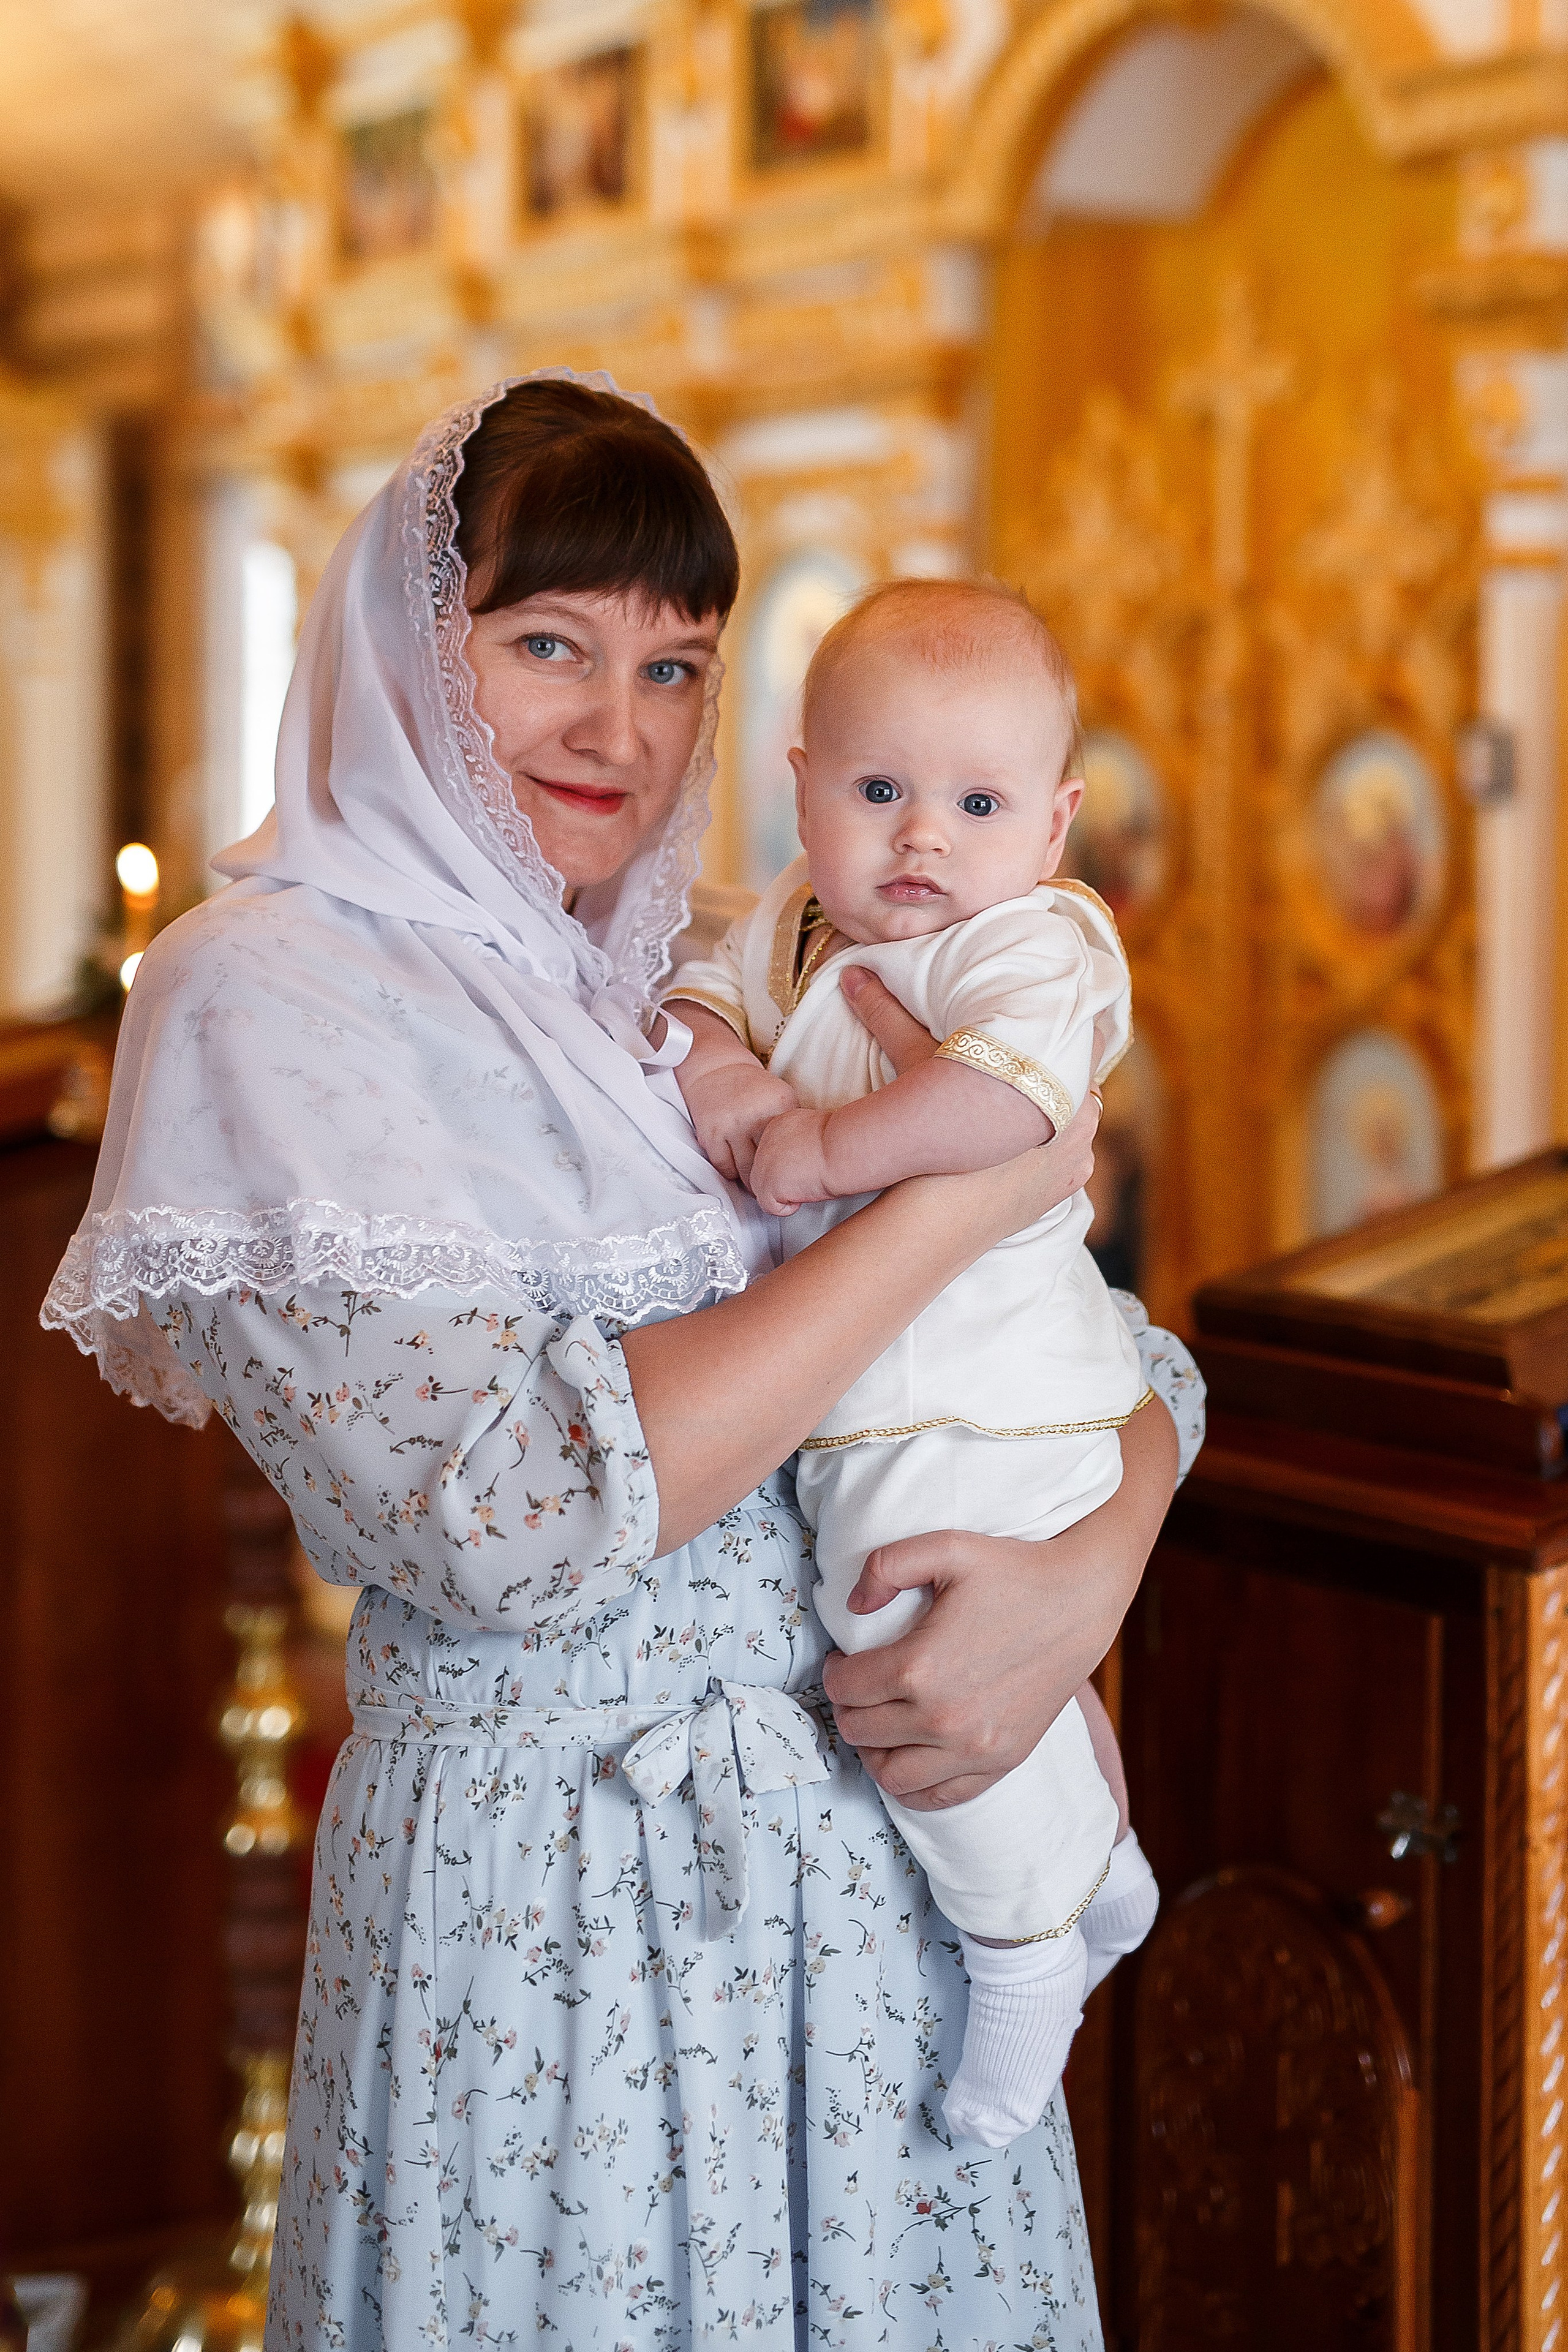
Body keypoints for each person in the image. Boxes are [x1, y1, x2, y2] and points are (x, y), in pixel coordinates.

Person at [43, 374, 1203, 2349]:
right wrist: (951, 1190)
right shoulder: (269, 992)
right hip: (550, 1908)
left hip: (878, 1877)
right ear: (416, 647)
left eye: (678, 668)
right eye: (548, 643)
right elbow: (503, 1516)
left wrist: (1082, 1576)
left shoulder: (730, 969)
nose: (620, 726)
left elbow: (1101, 1344)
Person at [666, 579, 1161, 2150]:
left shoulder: (1035, 943)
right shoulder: (794, 923)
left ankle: (1025, 1948)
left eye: (977, 802)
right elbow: (684, 1010)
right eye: (877, 792)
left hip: (995, 1395)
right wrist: (729, 1060)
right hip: (890, 1396)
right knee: (951, 1641)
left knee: (896, 1630)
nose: (921, 842)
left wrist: (815, 1147)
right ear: (800, 783)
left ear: (1054, 824)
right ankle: (1094, 1867)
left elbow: (1009, 1111)